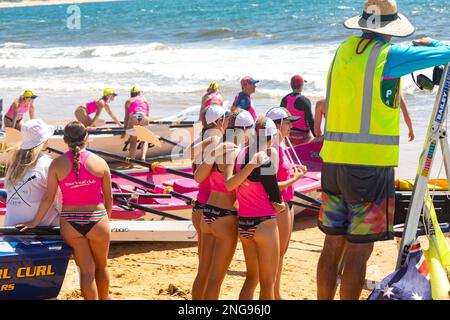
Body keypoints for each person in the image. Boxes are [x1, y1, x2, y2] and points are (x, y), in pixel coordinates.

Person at [317, 0, 450, 300]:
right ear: (390, 29)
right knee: (358, 251)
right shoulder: (388, 56)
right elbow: (447, 52)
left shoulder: (343, 52)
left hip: (332, 164)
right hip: (368, 169)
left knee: (331, 247)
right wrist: (431, 43)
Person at [17, 121, 113, 300]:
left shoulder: (57, 164)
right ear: (86, 138)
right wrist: (106, 222)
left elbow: (48, 198)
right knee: (102, 266)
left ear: (64, 140)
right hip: (98, 219)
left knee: (86, 270)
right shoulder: (100, 163)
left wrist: (34, 222)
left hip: (70, 223)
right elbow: (109, 199)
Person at [193, 110, 254, 300]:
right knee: (215, 279)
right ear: (243, 130)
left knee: (202, 272)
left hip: (208, 213)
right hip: (225, 216)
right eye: (250, 130)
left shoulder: (218, 147)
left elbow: (198, 177)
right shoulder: (236, 151)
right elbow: (231, 184)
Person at [224, 116, 285, 300]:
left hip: (244, 224)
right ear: (271, 138)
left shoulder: (241, 154)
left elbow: (233, 184)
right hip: (264, 224)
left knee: (251, 279)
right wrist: (280, 205)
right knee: (268, 283)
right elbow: (275, 196)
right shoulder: (264, 160)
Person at [266, 107, 308, 299]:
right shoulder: (272, 148)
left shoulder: (282, 145)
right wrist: (294, 179)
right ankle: (271, 293)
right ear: (277, 125)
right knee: (275, 253)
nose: (292, 126)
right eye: (288, 122)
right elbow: (270, 184)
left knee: (282, 251)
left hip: (288, 201)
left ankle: (276, 291)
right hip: (279, 204)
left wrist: (294, 172)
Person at [187, 105, 228, 300]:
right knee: (209, 271)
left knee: (203, 268)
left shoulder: (201, 140)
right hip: (210, 206)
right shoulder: (216, 140)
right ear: (219, 122)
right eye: (226, 118)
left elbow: (188, 154)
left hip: (199, 205)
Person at [4, 119, 60, 226]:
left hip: (10, 224)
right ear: (44, 142)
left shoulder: (14, 164)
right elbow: (59, 201)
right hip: (39, 227)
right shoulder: (48, 164)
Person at [280, 75, 315, 145]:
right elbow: (310, 121)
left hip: (288, 136)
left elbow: (280, 119)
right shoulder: (305, 100)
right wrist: (316, 136)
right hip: (303, 137)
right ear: (301, 85)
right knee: (312, 138)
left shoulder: (284, 99)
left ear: (291, 85)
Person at [123, 86, 151, 161]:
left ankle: (132, 160)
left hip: (135, 117)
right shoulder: (145, 100)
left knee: (133, 141)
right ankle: (143, 158)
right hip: (144, 117)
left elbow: (126, 117)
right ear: (139, 93)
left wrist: (124, 130)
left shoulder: (129, 100)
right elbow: (147, 113)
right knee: (144, 140)